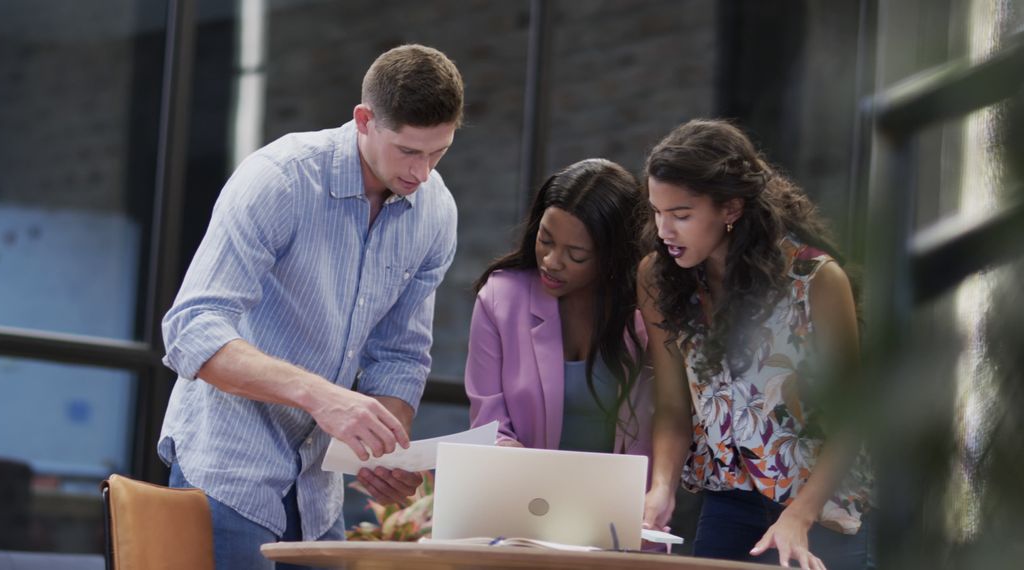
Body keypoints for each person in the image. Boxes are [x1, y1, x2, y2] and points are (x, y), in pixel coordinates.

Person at [158, 44, 463, 569]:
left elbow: (400, 356)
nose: (422, 172)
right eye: (408, 151)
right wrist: (323, 398)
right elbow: (192, 327)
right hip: (228, 470)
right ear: (364, 120)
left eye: (438, 152)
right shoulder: (280, 178)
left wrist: (382, 446)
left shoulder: (435, 211)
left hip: (318, 488)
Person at [638, 119, 874, 570]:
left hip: (824, 507)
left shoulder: (816, 281)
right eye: (657, 211)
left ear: (730, 208)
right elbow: (672, 405)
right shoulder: (658, 277)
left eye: (681, 215)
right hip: (728, 501)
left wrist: (799, 516)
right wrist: (662, 486)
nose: (664, 229)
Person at [464, 158, 653, 461]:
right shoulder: (501, 298)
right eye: (545, 240)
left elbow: (656, 432)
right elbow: (488, 419)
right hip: (521, 489)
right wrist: (505, 450)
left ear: (612, 255)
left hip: (619, 499)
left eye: (576, 254)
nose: (551, 261)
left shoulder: (646, 313)